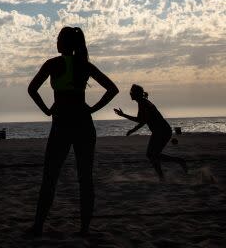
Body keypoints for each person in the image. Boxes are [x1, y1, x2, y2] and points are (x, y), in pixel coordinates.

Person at [27, 27, 118, 237]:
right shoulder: (84, 65)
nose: (56, 42)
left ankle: (38, 227)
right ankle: (84, 230)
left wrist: (46, 110)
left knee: (50, 177)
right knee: (85, 179)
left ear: (64, 43)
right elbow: (112, 89)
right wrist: (91, 109)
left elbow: (32, 89)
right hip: (84, 124)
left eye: (58, 38)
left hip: (62, 125)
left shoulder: (53, 64)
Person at [114, 84, 187, 180]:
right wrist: (132, 130)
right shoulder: (142, 102)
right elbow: (143, 121)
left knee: (152, 154)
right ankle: (165, 173)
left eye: (131, 92)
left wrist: (123, 115)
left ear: (136, 94)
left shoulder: (143, 103)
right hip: (160, 131)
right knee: (152, 155)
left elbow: (141, 120)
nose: (130, 94)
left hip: (162, 131)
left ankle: (174, 165)